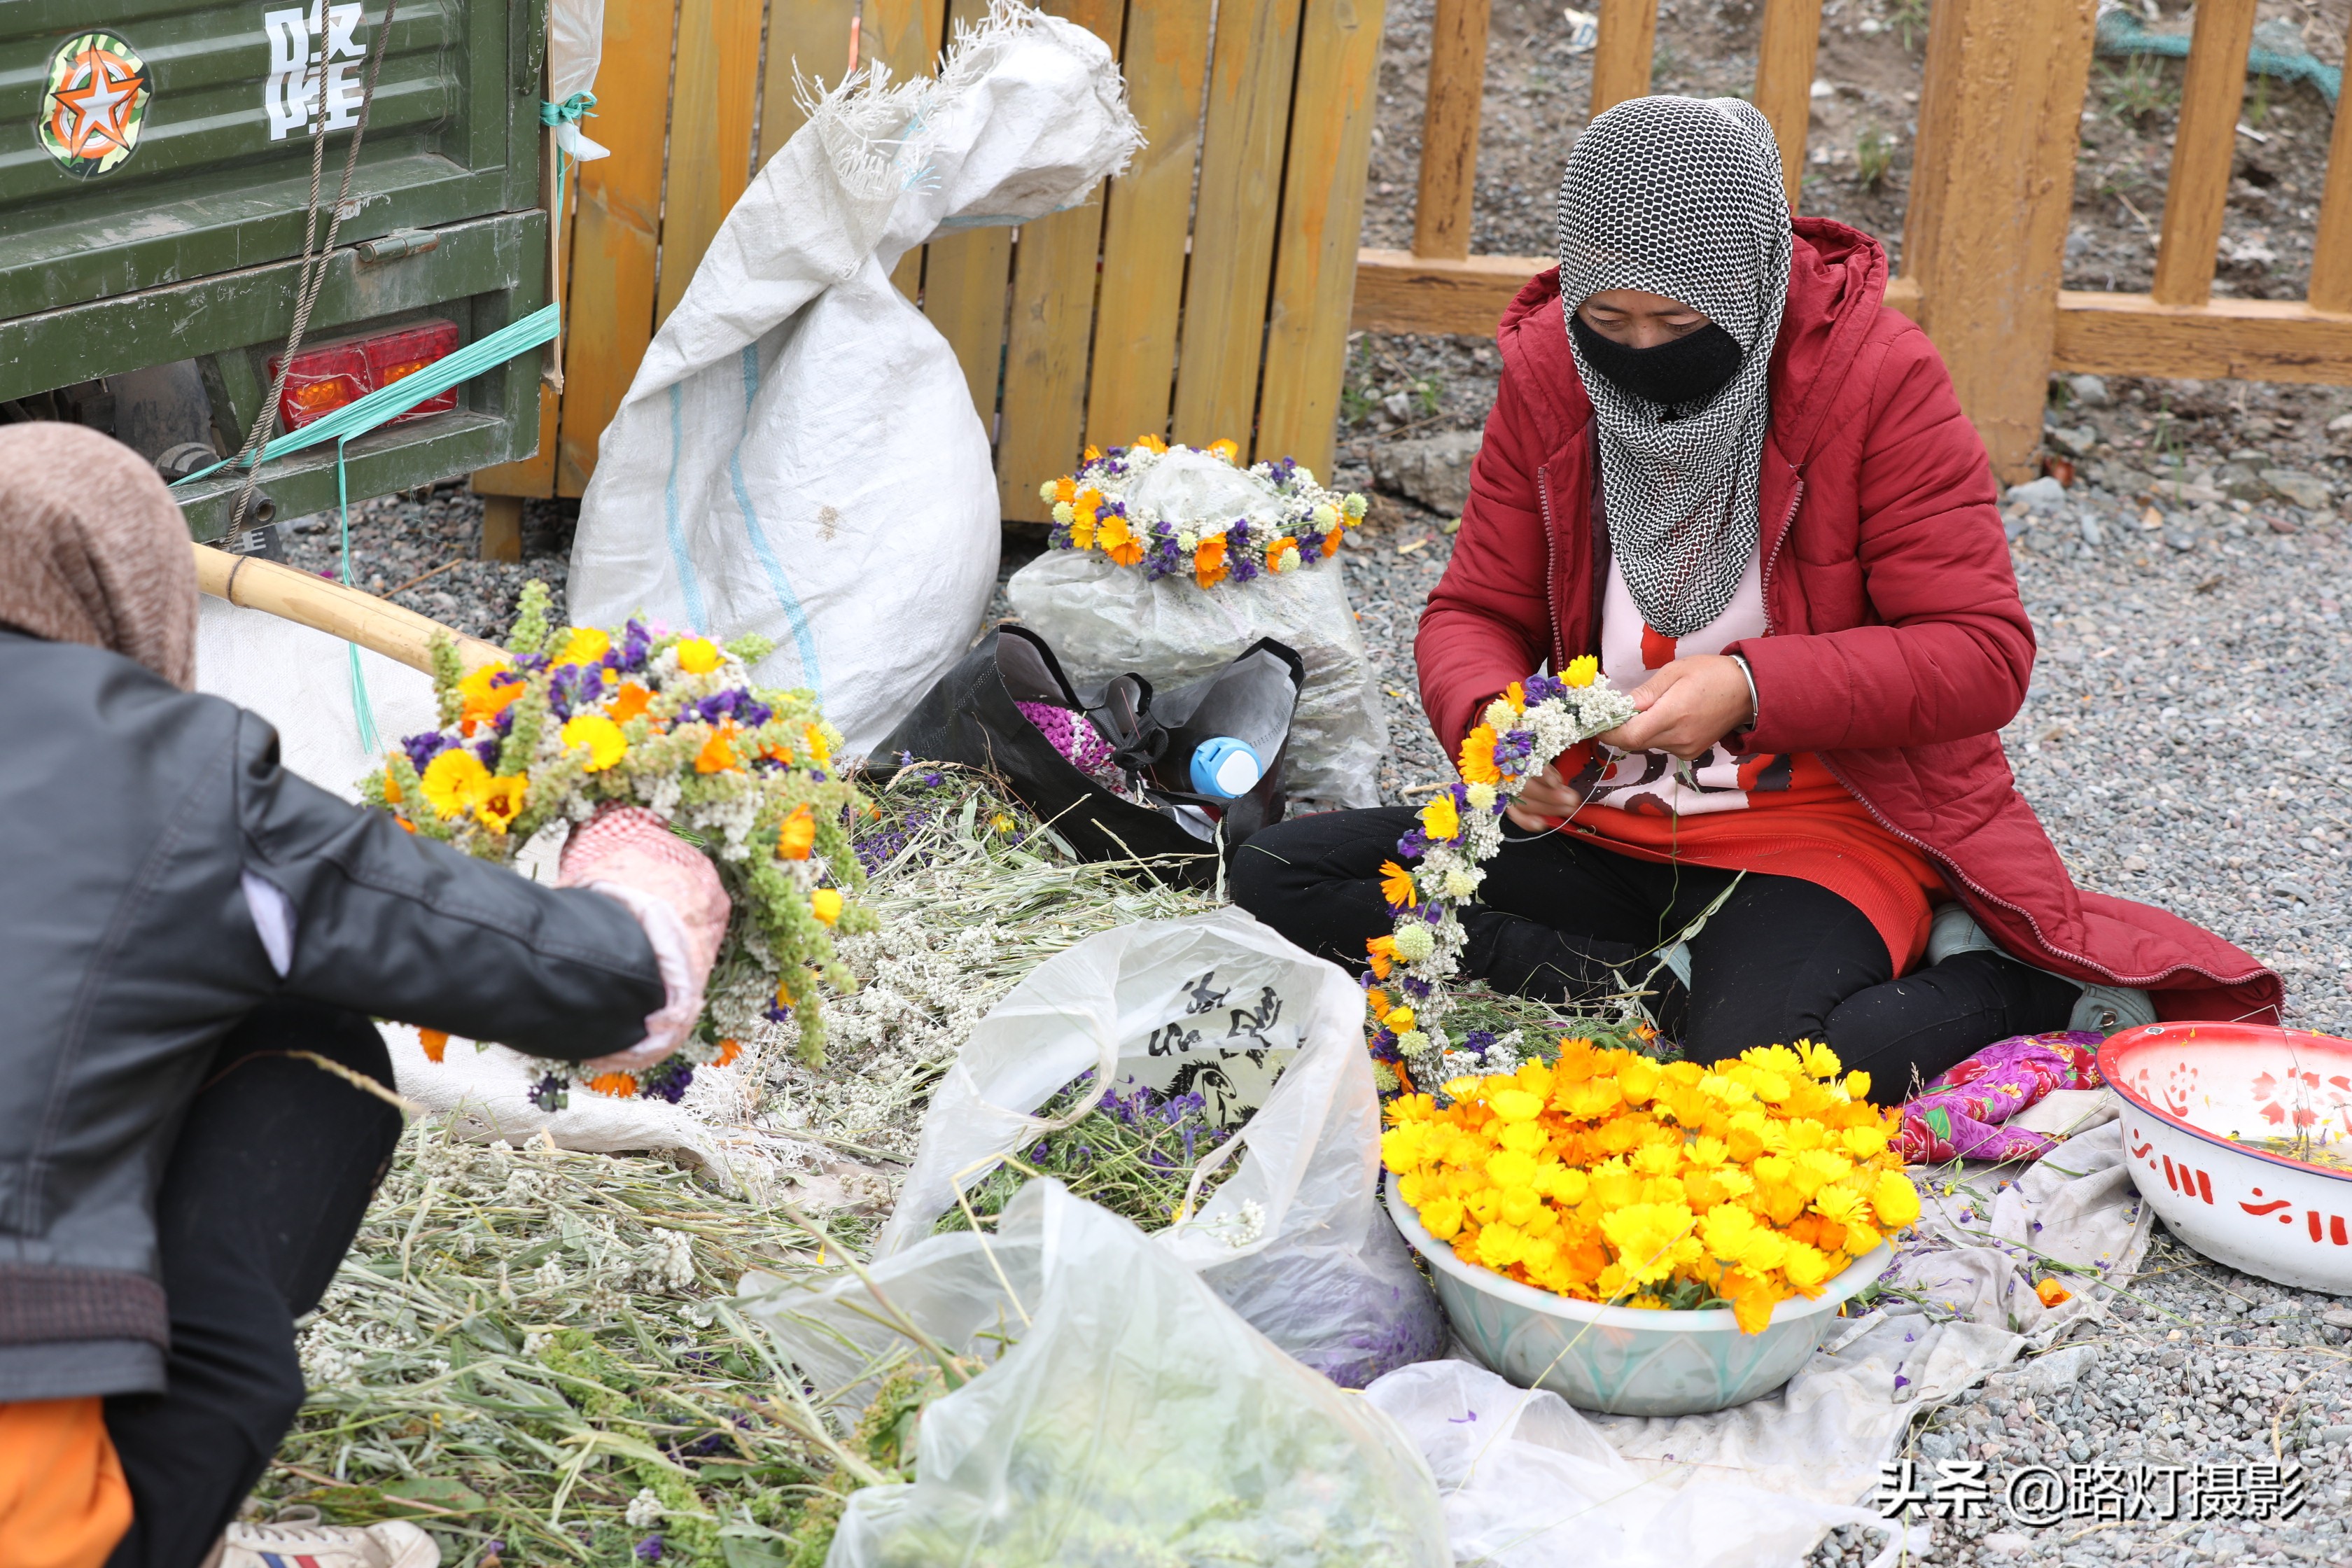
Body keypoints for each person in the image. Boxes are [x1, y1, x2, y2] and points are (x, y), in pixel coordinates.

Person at [1232, 95, 2280, 1088]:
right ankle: (1644, 991)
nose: (1638, 351)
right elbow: (1473, 611)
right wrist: (1499, 728)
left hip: (1822, 831)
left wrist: (1749, 688)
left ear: (1752, 287)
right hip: (1602, 818)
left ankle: (2017, 977)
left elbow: (1981, 652)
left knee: (1773, 1079)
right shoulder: (1556, 371)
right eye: (1610, 319)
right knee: (1276, 871)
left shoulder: (1878, 381)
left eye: (1679, 323)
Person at [0, 424, 730, 1568]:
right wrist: (648, 873)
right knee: (310, 1042)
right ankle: (149, 1527)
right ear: (127, 588)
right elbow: (590, 979)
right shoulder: (167, 776)